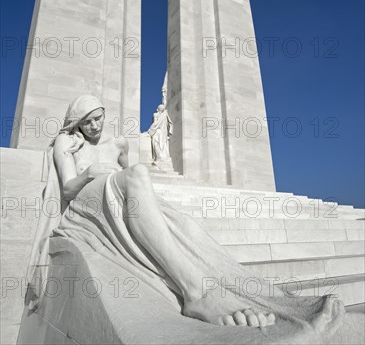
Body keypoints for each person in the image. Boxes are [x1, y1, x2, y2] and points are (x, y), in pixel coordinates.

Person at [27, 95, 354, 344]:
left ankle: (241, 289)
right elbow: (68, 188)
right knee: (135, 177)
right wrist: (89, 173)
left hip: (122, 193)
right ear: (77, 122)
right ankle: (195, 292)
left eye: (99, 119)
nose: (95, 126)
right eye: (88, 121)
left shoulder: (118, 144)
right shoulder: (67, 143)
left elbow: (138, 172)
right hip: (87, 201)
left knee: (186, 226)